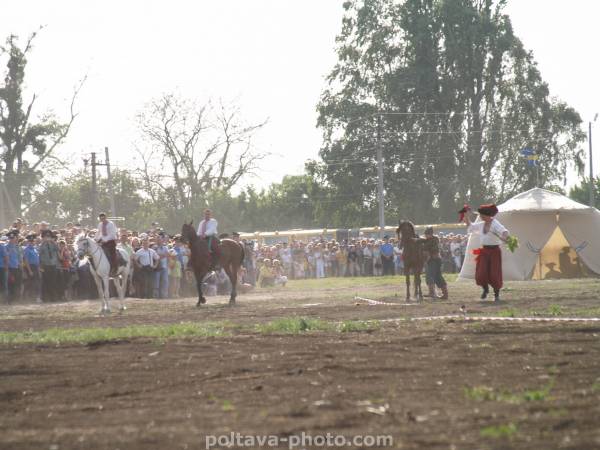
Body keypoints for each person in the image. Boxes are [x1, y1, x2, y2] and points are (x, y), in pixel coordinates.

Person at [463, 204, 511, 302]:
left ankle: (496, 294)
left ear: (487, 215)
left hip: (494, 252)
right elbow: (470, 226)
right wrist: (466, 216)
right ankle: (485, 290)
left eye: (481, 215)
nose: (480, 216)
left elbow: (504, 231)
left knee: (494, 274)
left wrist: (505, 237)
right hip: (484, 251)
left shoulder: (495, 223)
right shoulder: (481, 224)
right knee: (481, 273)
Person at [420, 227, 448, 300]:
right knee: (432, 276)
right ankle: (433, 293)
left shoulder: (435, 240)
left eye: (427, 234)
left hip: (435, 260)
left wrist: (423, 246)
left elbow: (428, 248)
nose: (426, 236)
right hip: (431, 260)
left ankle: (442, 293)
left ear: (430, 234)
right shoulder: (428, 240)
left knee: (434, 276)